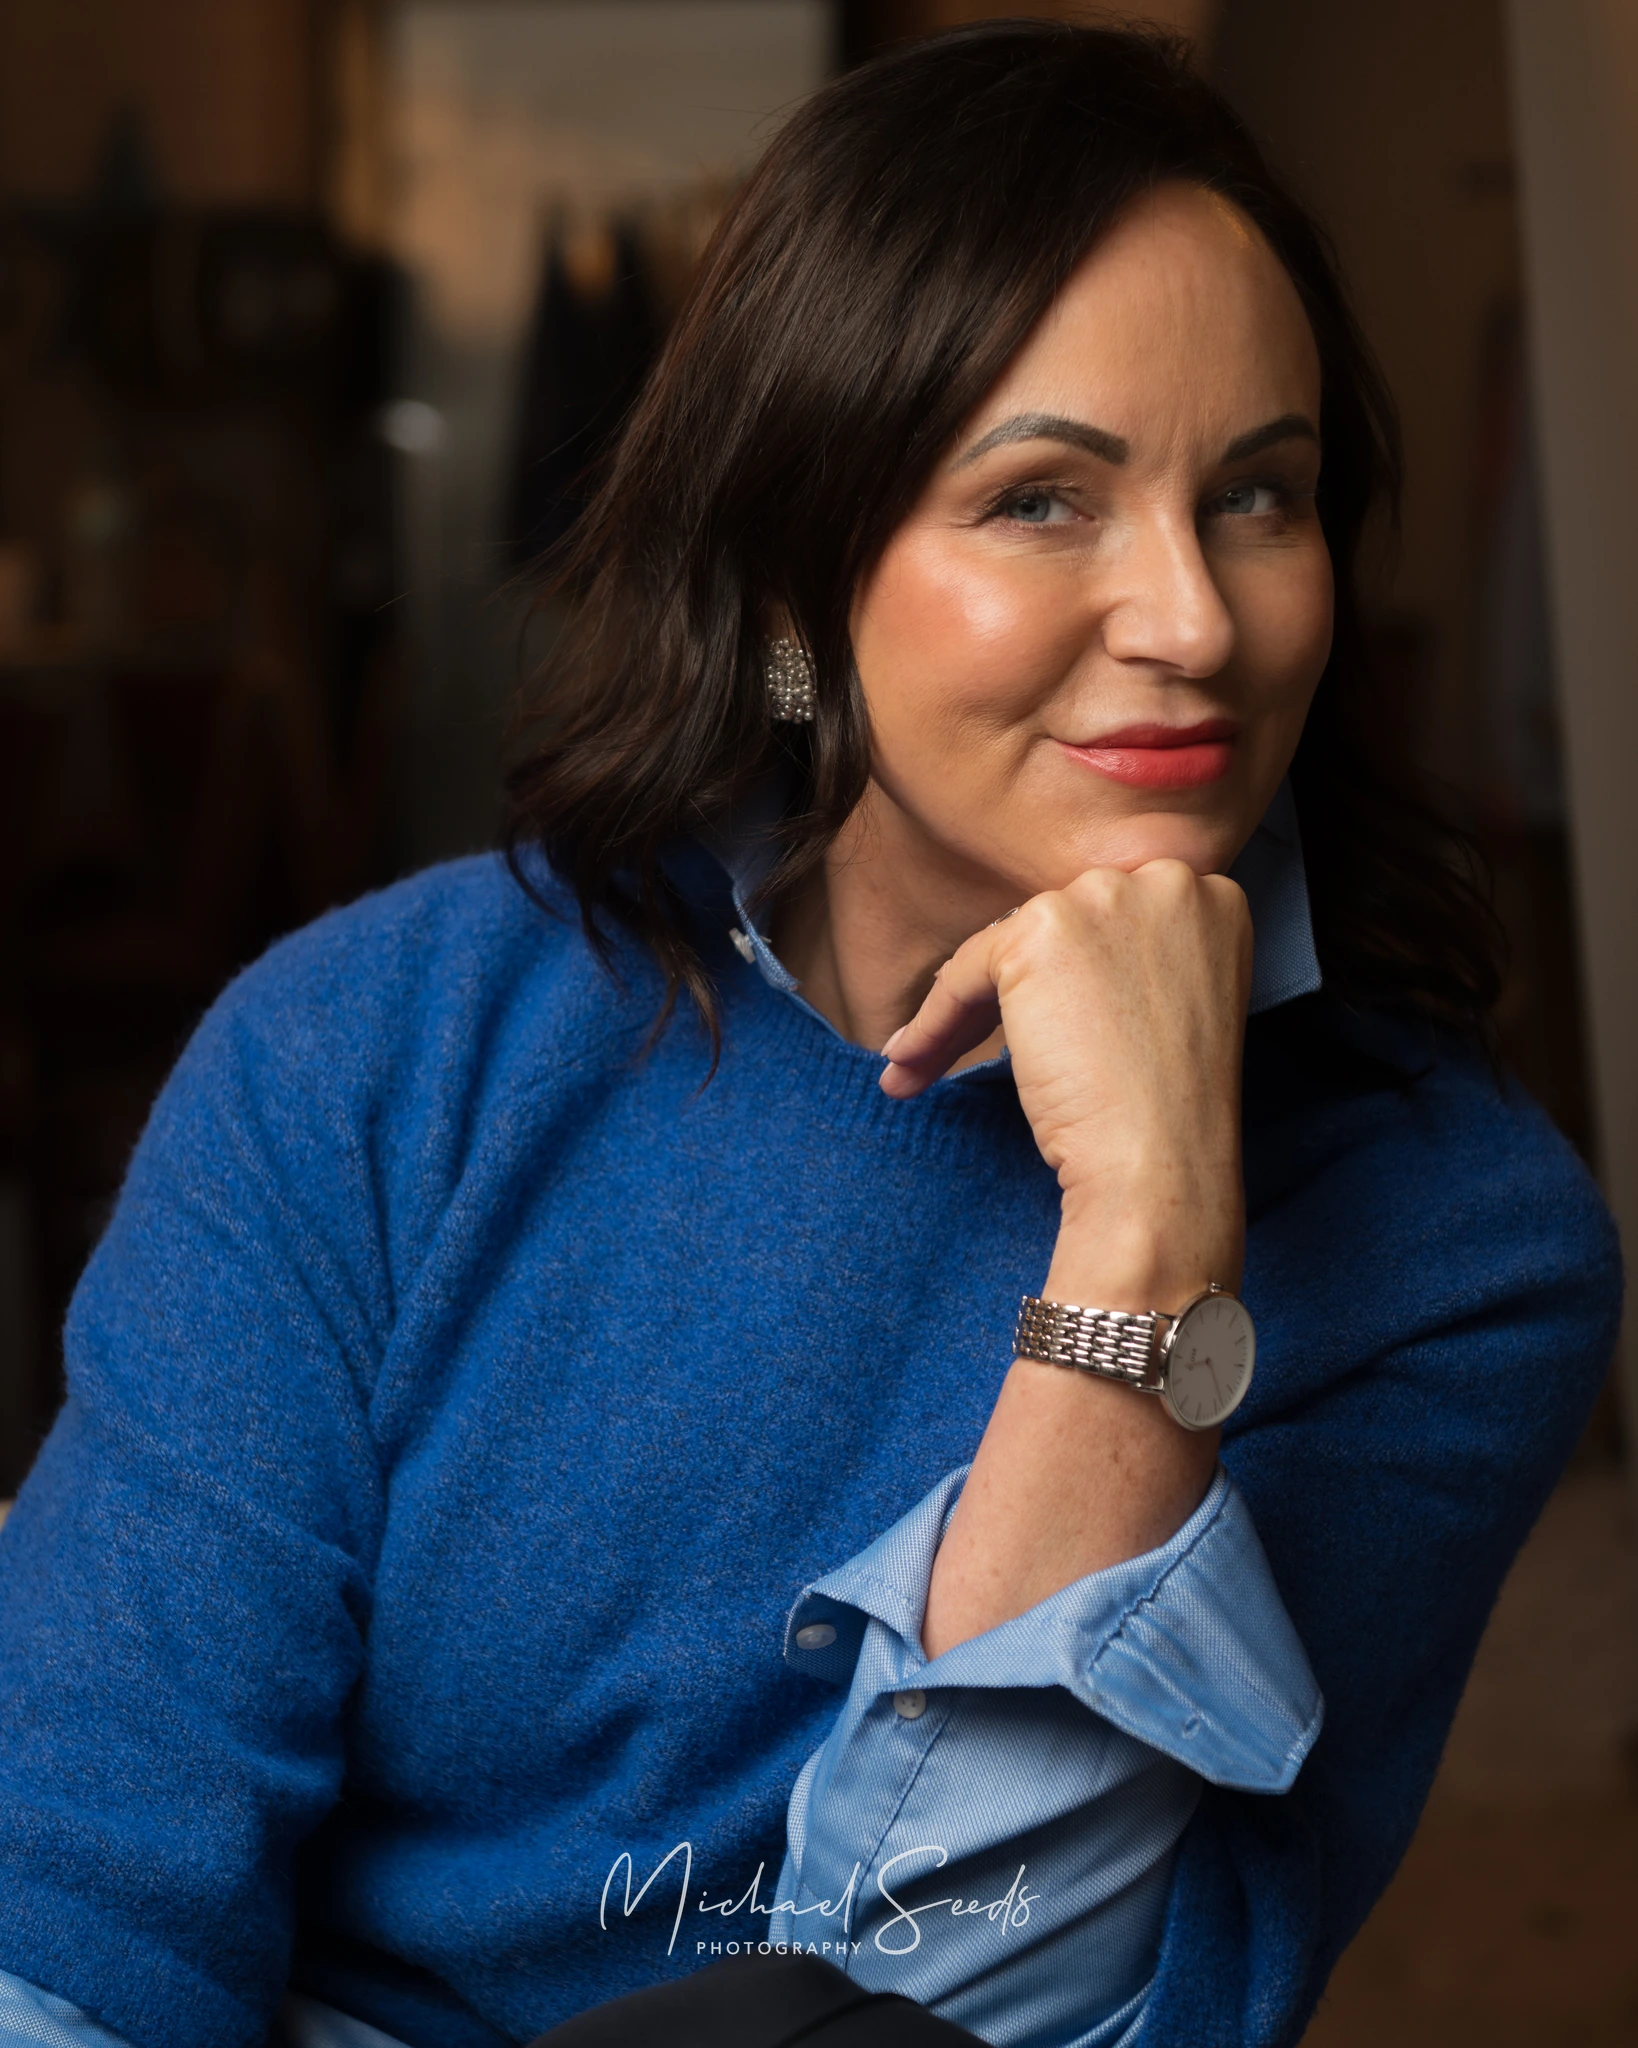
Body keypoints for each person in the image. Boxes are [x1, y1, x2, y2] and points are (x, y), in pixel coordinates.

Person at [0, 23, 1620, 2048]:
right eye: (1045, 499)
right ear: (792, 585)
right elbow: (72, 1915)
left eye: (1261, 497)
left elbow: (1002, 1992)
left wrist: (1143, 1237)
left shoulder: (1457, 1243)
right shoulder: (372, 1054)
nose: (1197, 619)